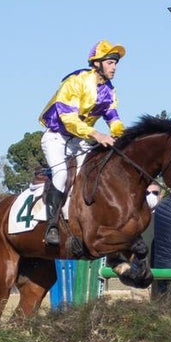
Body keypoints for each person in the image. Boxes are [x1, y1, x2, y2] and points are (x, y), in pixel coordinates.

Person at [38, 39, 127, 246]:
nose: (114, 67)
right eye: (110, 62)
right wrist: (98, 135)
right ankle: (52, 226)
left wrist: (120, 134)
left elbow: (113, 117)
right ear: (97, 63)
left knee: (93, 175)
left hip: (80, 140)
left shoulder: (109, 90)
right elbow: (68, 120)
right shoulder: (75, 81)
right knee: (61, 175)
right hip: (57, 136)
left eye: (115, 63)